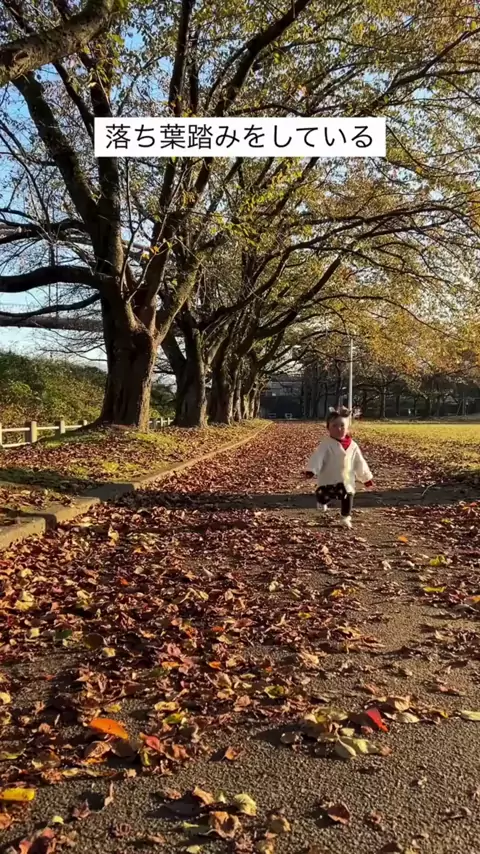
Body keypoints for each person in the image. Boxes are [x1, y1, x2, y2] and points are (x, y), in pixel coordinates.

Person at [304, 407, 374, 530]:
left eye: (342, 426)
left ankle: (345, 517)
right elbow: (318, 456)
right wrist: (311, 470)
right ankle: (322, 501)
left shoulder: (353, 446)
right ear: (328, 428)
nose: (338, 429)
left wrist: (366, 478)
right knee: (323, 495)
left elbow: (359, 462)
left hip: (346, 480)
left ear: (348, 428)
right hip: (328, 479)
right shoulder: (326, 444)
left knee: (348, 496)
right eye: (334, 426)